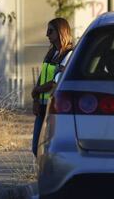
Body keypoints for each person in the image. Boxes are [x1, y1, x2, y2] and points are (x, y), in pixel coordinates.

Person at [31, 17, 73, 157]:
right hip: (43, 106)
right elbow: (42, 76)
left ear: (61, 32)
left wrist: (37, 90)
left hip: (55, 108)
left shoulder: (69, 54)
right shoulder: (51, 53)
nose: (47, 35)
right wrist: (36, 100)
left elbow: (55, 82)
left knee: (51, 149)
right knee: (35, 147)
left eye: (50, 31)